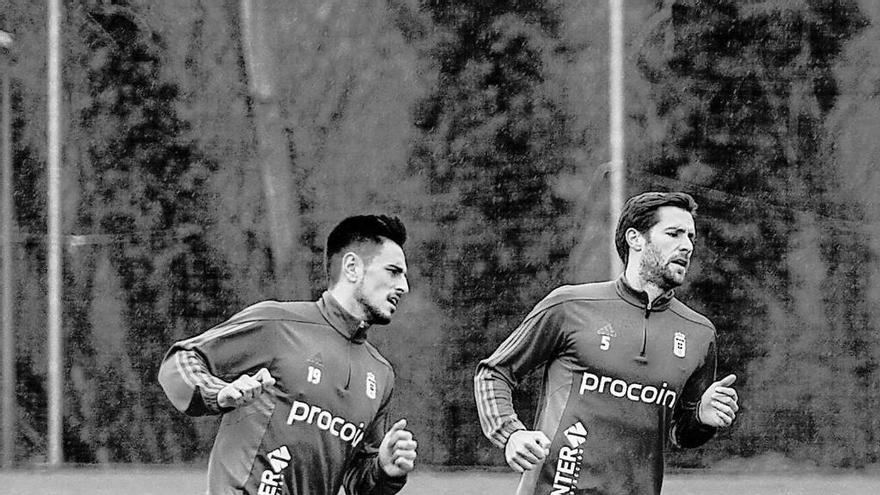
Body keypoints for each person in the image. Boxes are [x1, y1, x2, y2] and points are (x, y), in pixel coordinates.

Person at [474, 192, 739, 495]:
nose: (687, 246)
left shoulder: (699, 333)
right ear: (635, 239)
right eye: (674, 233)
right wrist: (511, 434)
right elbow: (493, 373)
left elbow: (680, 432)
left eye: (691, 237)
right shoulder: (570, 306)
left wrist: (702, 418)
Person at [158, 214, 417, 495]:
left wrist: (384, 468)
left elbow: (358, 481)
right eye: (393, 271)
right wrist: (217, 393)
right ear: (352, 267)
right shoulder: (278, 324)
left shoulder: (381, 374)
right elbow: (181, 360)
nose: (404, 286)